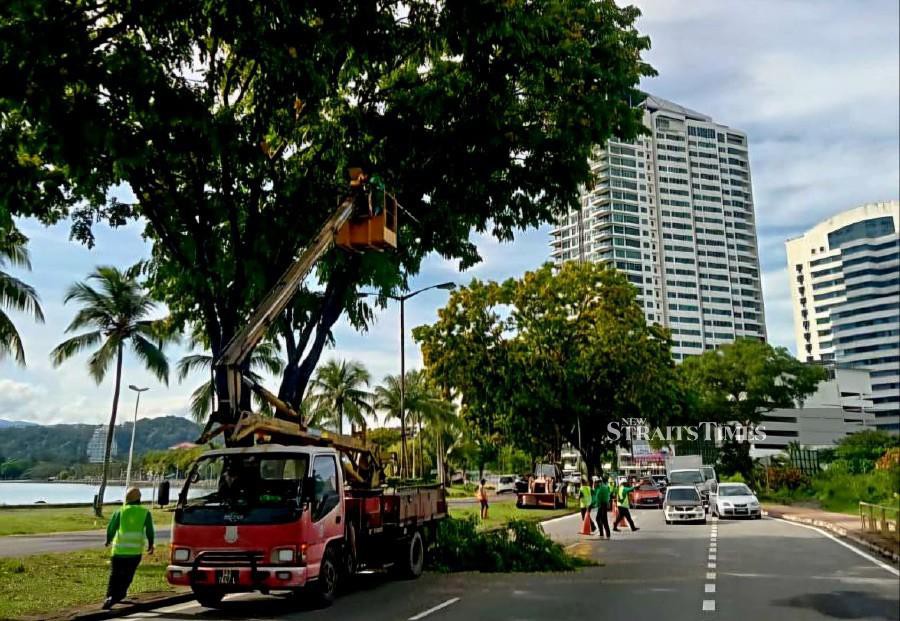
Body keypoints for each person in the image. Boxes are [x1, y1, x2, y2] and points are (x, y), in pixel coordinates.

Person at [103, 487, 155, 609]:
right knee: (127, 576)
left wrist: (108, 540)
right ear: (139, 499)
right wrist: (151, 544)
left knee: (114, 575)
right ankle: (118, 596)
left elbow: (111, 528)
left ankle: (110, 597)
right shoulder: (145, 513)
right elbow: (150, 531)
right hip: (134, 553)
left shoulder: (120, 511)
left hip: (118, 551)